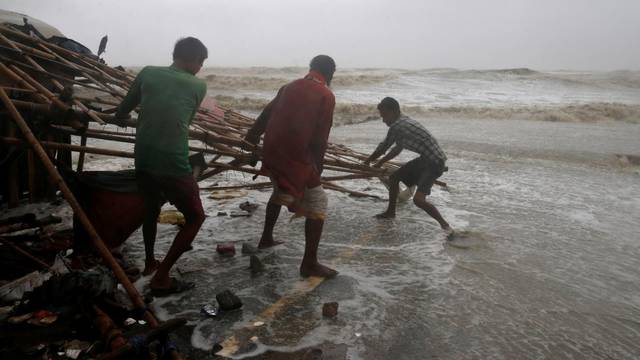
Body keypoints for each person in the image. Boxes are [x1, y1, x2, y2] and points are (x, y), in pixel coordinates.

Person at [115, 37, 208, 296]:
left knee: (151, 208)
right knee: (196, 216)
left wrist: (121, 117)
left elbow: (124, 108)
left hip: (143, 157)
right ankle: (162, 276)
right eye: (201, 63)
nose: (200, 68)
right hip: (173, 161)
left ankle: (149, 264)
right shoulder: (198, 85)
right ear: (193, 60)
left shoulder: (147, 72)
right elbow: (184, 121)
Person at [244, 55, 337, 278]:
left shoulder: (288, 86)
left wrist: (251, 140)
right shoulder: (326, 94)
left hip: (272, 152)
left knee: (280, 191)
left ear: (311, 68)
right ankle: (309, 264)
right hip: (294, 157)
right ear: (331, 73)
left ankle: (266, 238)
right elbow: (320, 139)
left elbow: (266, 114)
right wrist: (317, 169)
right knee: (318, 201)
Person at [365, 97, 453, 234]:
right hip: (427, 159)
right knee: (394, 178)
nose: (383, 120)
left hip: (434, 163)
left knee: (418, 200)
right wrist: (380, 162)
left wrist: (367, 161)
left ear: (393, 111)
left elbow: (383, 148)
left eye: (384, 115)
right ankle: (390, 212)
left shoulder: (397, 126)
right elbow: (397, 149)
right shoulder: (403, 121)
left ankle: (446, 226)